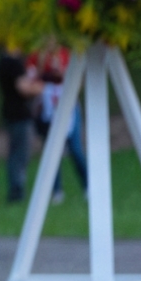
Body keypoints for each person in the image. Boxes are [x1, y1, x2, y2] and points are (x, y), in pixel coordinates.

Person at [29, 42, 88, 204]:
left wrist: (61, 74)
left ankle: (88, 185)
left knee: (75, 149)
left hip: (69, 105)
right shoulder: (37, 55)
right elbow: (32, 80)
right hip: (48, 107)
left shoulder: (66, 54)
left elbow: (78, 79)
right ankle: (56, 190)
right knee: (52, 150)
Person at [0, 46, 42, 203]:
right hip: (20, 114)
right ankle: (17, 190)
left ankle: (16, 189)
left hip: (11, 112)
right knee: (20, 153)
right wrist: (41, 87)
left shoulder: (2, 61)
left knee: (15, 152)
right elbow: (23, 88)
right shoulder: (13, 63)